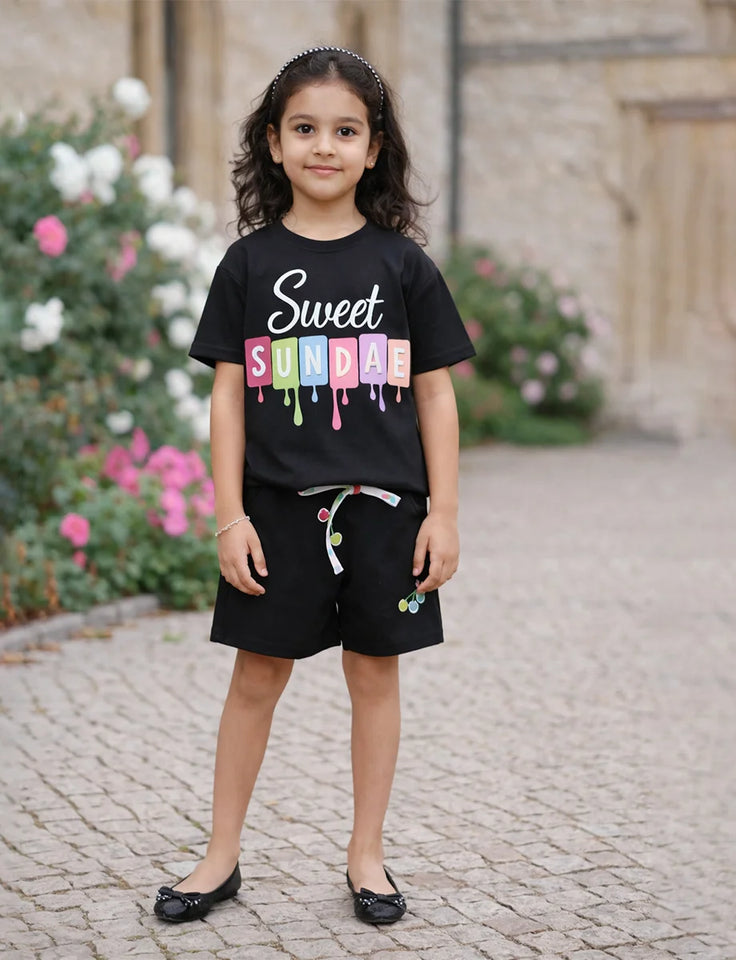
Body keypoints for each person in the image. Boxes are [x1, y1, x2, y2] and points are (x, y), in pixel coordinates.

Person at [153, 45, 475, 927]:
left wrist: (442, 512)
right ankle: (220, 856)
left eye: (345, 130)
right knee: (256, 676)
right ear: (273, 141)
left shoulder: (403, 268)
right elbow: (227, 397)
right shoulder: (248, 266)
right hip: (276, 513)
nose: (323, 146)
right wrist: (229, 518)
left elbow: (435, 393)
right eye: (304, 128)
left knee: (376, 676)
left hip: (386, 516)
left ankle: (366, 855)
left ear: (374, 150)